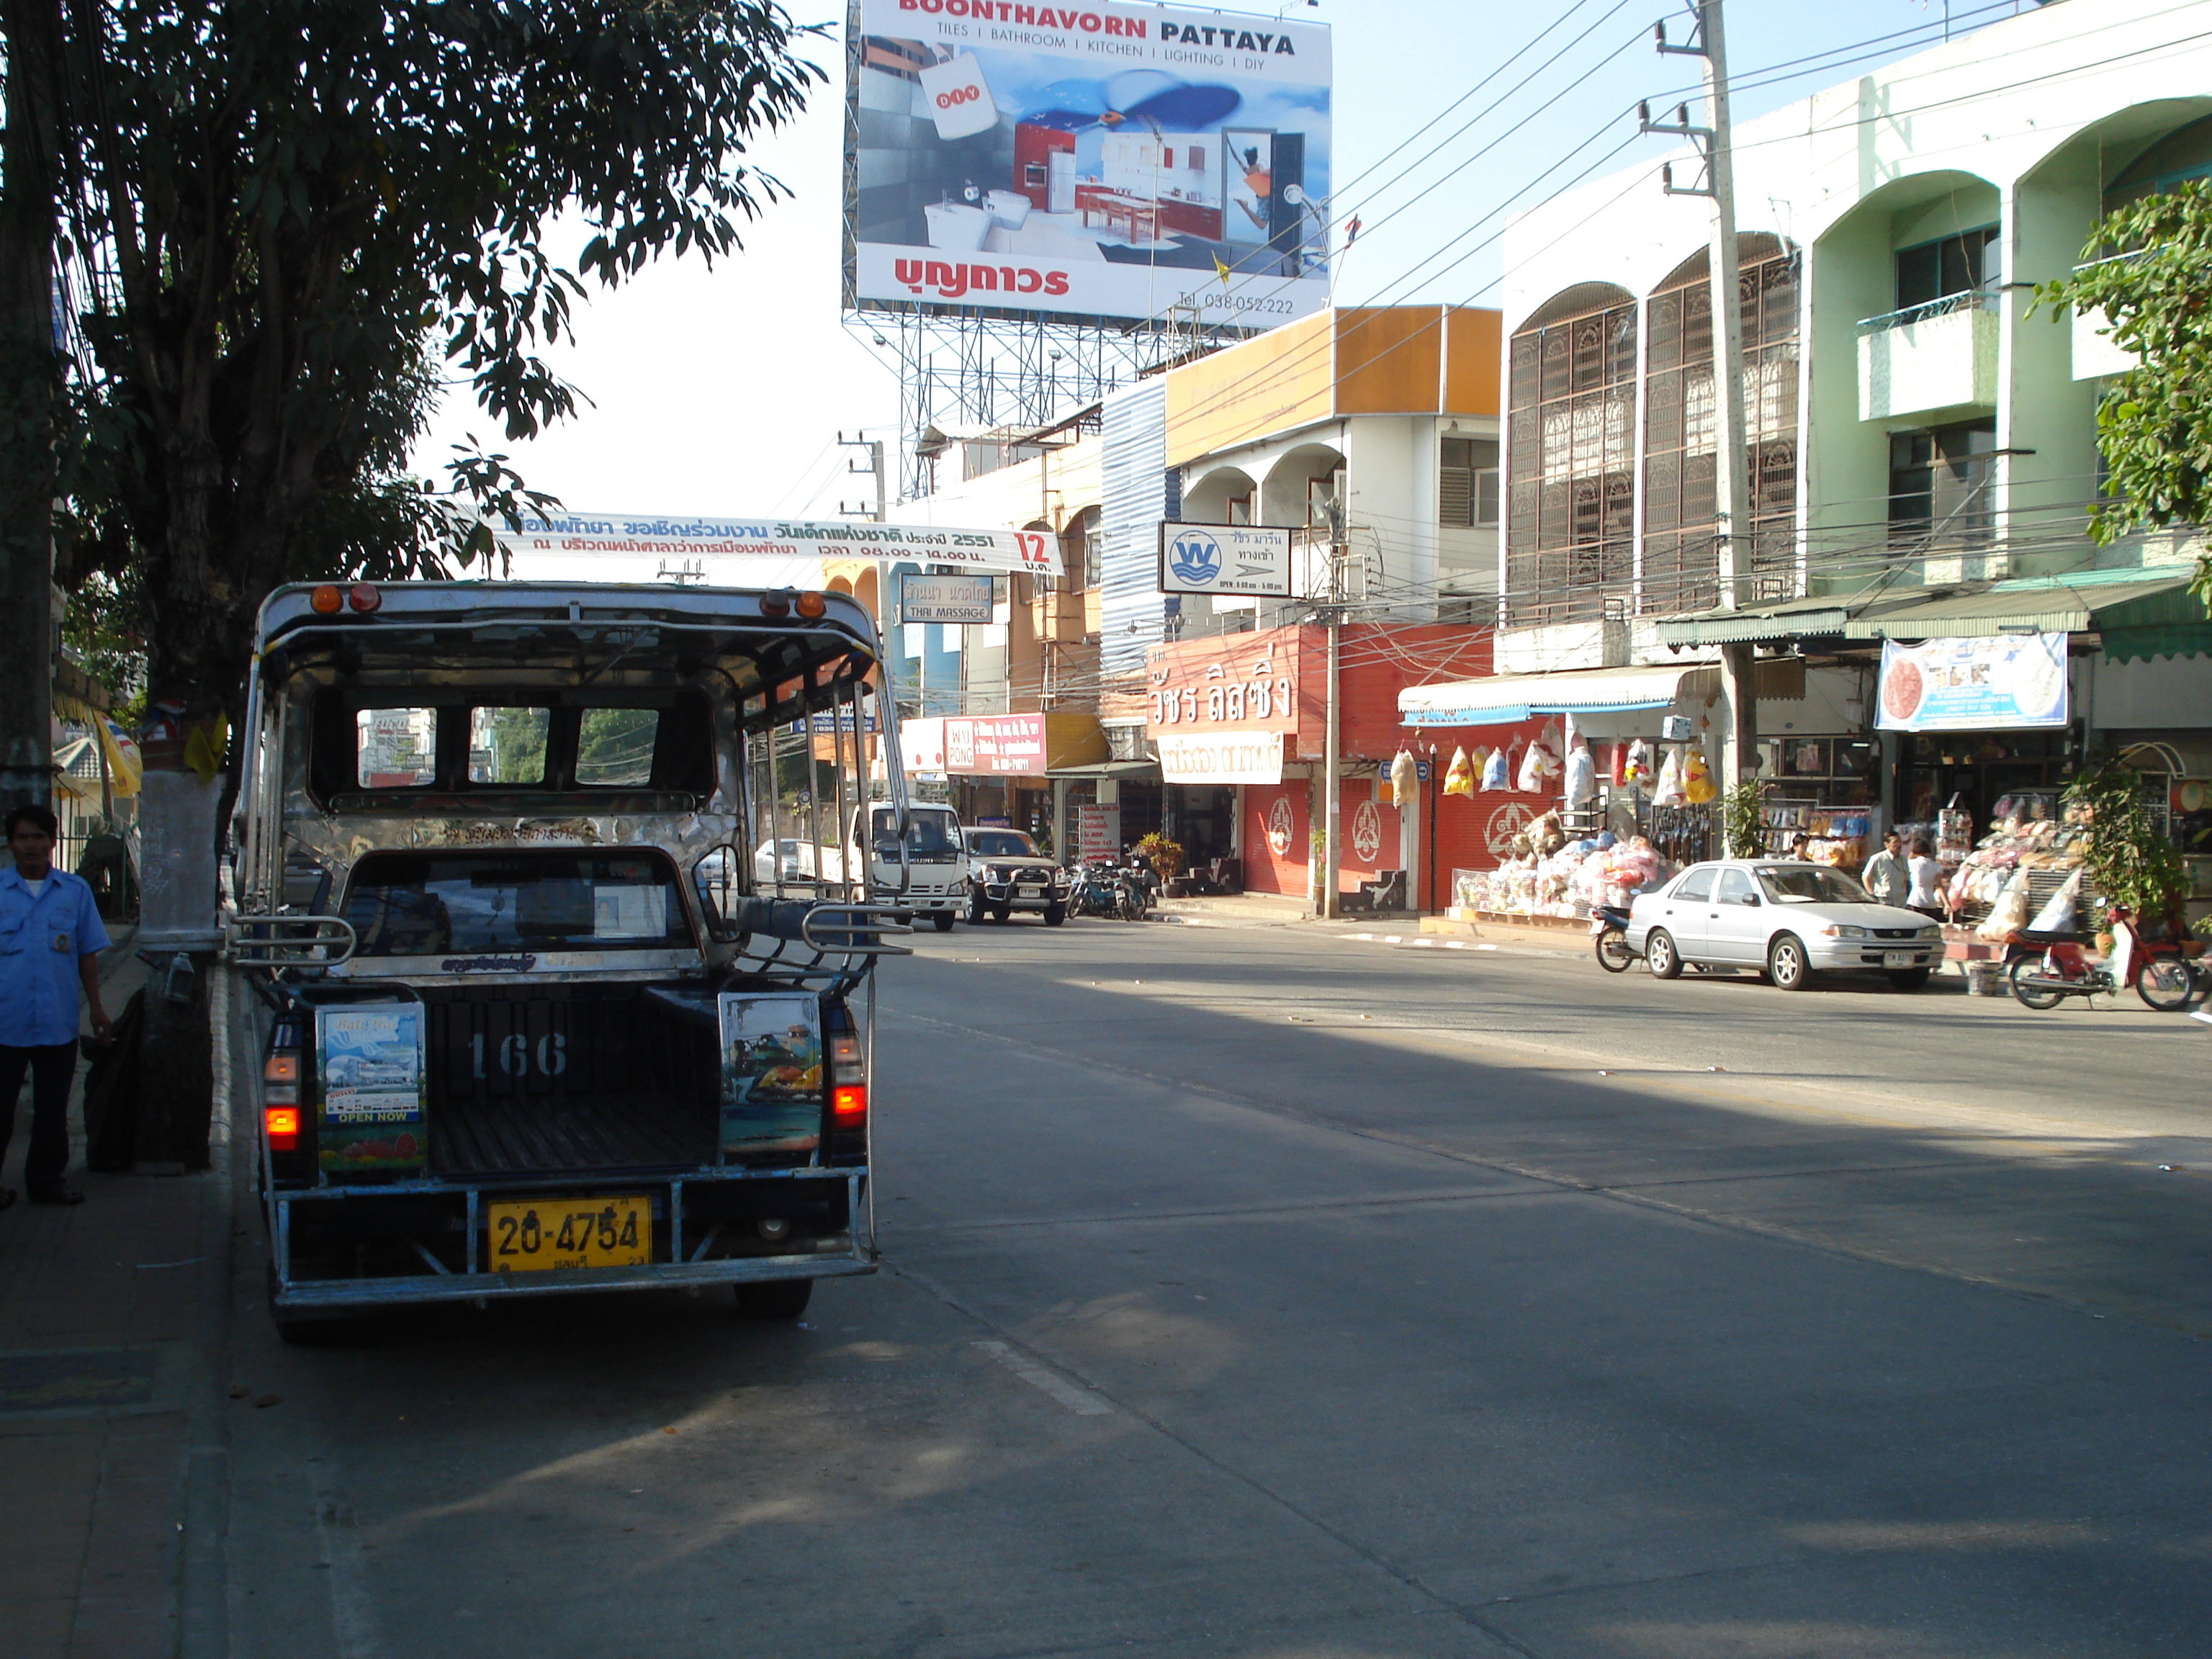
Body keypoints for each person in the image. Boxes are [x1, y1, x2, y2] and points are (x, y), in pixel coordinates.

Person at [0, 803, 113, 1208]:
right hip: (5, 1023)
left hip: (56, 1022)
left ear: (52, 841)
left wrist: (97, 1009)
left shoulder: (75, 892)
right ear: (11, 843)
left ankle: (46, 1183)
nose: (30, 845)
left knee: (52, 1111)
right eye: (22, 837)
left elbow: (87, 954)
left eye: (38, 837)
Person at [1904, 834, 1948, 923]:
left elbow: (1905, 863)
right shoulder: (1936, 866)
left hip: (1915, 901)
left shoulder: (1912, 864)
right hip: (1930, 902)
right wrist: (1946, 904)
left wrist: (1912, 853)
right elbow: (1939, 886)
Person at [1862, 829, 1910, 909]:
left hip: (1900, 901)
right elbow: (1866, 877)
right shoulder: (1877, 858)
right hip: (1883, 901)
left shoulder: (1904, 860)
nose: (1899, 845)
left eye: (1900, 842)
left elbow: (1905, 879)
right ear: (1886, 844)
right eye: (1895, 842)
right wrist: (1871, 894)